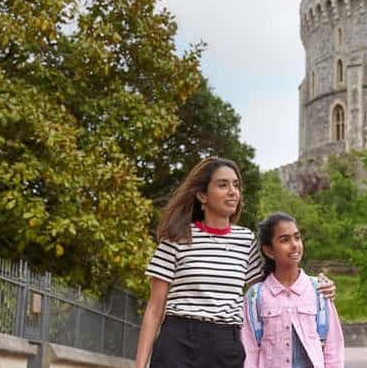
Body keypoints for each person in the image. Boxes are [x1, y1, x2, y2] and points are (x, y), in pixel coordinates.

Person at [134, 158, 336, 368]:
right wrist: (140, 365)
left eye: (236, 185)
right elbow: (155, 308)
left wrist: (317, 287)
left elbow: (270, 289)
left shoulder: (245, 240)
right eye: (223, 185)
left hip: (227, 345)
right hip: (179, 342)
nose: (233, 192)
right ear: (202, 194)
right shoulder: (177, 237)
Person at [242, 212, 344, 368]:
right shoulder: (256, 296)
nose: (294, 244)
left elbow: (333, 347)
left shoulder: (319, 291)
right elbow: (249, 351)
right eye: (284, 240)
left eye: (297, 237)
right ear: (269, 251)